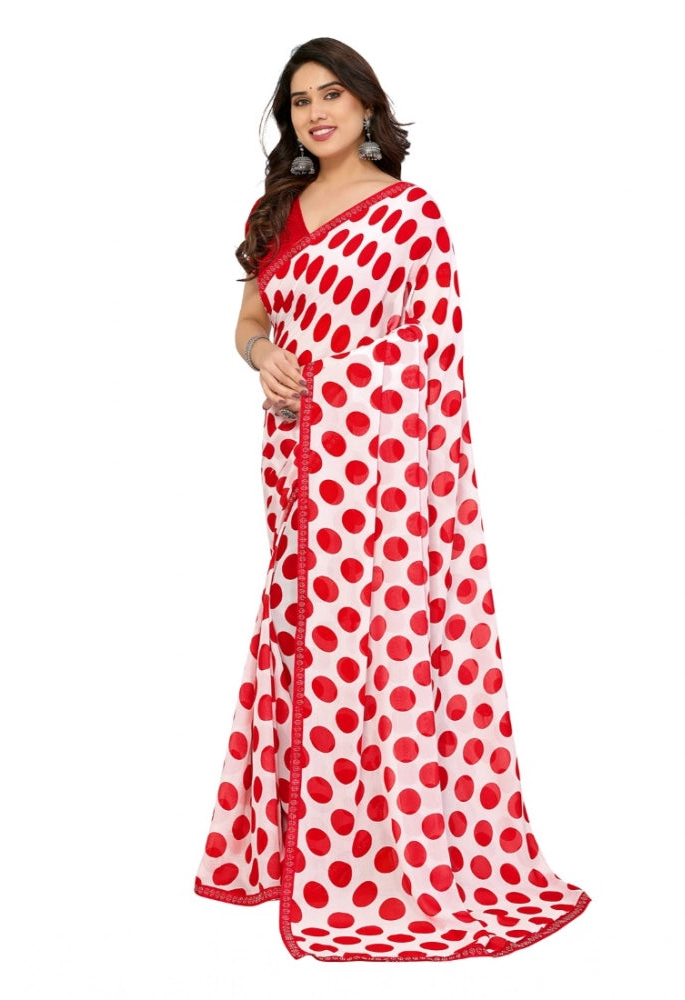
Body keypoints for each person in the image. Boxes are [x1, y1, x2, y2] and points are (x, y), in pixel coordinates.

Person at [194, 37, 591, 962]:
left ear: (367, 105)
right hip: (296, 461)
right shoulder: (275, 210)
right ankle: (305, 842)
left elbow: (430, 353)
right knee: (304, 626)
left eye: (333, 94)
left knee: (377, 634)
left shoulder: (412, 215)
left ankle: (385, 853)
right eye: (300, 101)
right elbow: (250, 320)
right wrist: (264, 354)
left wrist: (337, 379)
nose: (316, 112)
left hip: (381, 474)